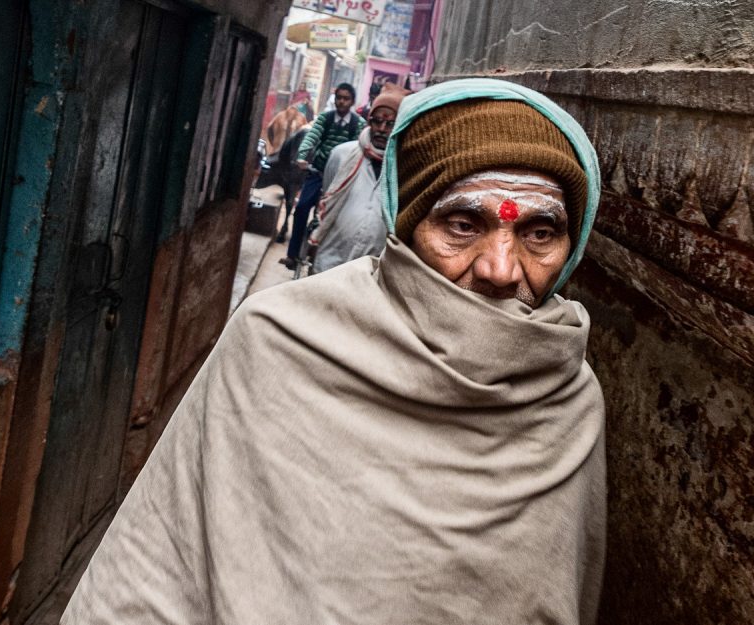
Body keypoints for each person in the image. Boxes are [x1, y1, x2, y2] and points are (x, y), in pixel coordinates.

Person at [61, 78, 605, 625]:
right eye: (463, 226)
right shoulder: (276, 340)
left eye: (539, 234)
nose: (501, 269)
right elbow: (156, 569)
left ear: (572, 244)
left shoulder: (568, 397)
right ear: (408, 225)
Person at [310, 83, 409, 273]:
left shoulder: (404, 170)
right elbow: (327, 199)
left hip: (370, 272)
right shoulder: (341, 155)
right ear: (369, 121)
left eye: (390, 124)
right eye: (377, 121)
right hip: (330, 260)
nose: (381, 129)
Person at [280, 82, 364, 270]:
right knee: (301, 208)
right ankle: (292, 255)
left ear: (352, 101)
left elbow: (359, 146)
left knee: (338, 217)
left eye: (346, 98)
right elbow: (311, 137)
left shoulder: (358, 124)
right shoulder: (325, 119)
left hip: (341, 180)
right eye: (339, 97)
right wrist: (302, 157)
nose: (342, 102)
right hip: (317, 172)